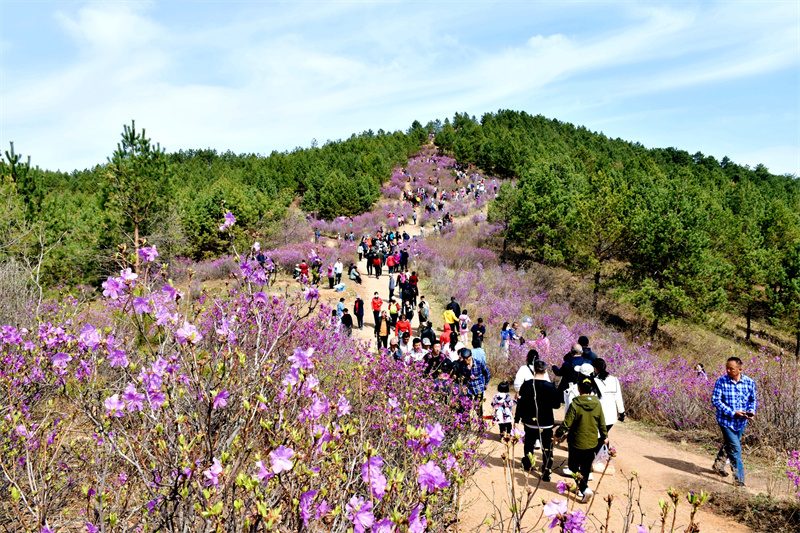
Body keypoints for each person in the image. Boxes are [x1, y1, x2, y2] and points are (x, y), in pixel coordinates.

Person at [555, 377, 608, 502]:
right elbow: (602, 422)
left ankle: (584, 489)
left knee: (573, 467)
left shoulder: (575, 404)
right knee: (585, 467)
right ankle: (582, 490)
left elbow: (567, 424)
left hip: (576, 441)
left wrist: (558, 434)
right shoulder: (597, 404)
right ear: (591, 389)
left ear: (579, 388)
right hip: (592, 442)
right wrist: (604, 436)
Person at [711, 357, 757, 486]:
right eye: (727, 368)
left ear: (740, 369)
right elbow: (716, 400)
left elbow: (753, 400)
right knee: (735, 448)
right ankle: (739, 480)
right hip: (725, 420)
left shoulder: (749, 382)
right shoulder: (721, 381)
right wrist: (732, 412)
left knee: (730, 445)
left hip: (741, 421)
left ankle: (718, 465)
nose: (728, 370)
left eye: (731, 368)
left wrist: (751, 411)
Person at [515, 360, 562, 480]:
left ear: (534, 370)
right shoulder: (550, 387)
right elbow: (557, 405)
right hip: (546, 424)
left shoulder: (526, 385)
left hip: (530, 422)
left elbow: (520, 403)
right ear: (546, 370)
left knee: (529, 445)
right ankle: (546, 472)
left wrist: (516, 419)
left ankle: (528, 464)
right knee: (547, 448)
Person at [592, 359, 625, 444]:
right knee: (604, 436)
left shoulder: (594, 381)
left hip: (599, 414)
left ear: (595, 369)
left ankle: (600, 455)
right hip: (611, 416)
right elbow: (618, 397)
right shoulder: (614, 379)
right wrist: (622, 413)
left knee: (598, 438)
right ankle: (604, 455)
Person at [455, 348, 491, 419]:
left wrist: (486, 383)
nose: (466, 360)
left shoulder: (479, 363)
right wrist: (462, 387)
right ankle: (467, 426)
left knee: (478, 408)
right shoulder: (461, 365)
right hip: (468, 389)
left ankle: (481, 425)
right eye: (464, 359)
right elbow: (459, 377)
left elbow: (487, 373)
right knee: (466, 407)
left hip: (478, 388)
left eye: (467, 358)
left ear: (471, 356)